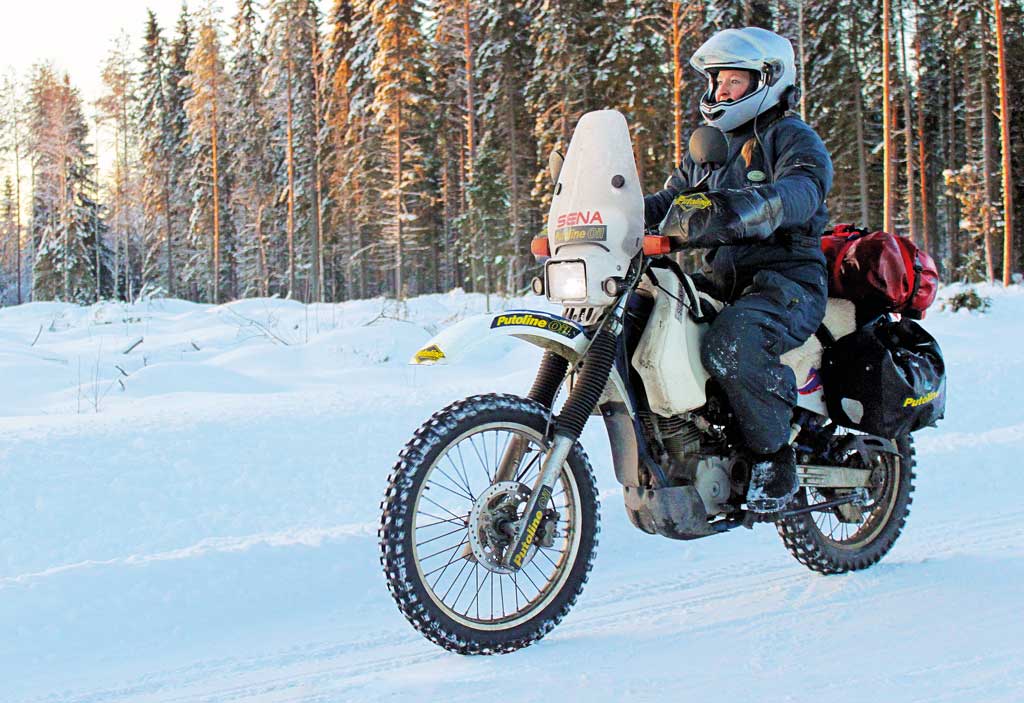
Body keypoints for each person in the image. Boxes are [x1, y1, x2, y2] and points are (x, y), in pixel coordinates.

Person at [643, 27, 834, 513]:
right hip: (724, 282)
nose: (720, 92)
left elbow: (802, 190)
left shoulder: (790, 136)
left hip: (788, 281)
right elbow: (668, 200)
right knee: (648, 314)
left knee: (732, 343)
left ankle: (774, 456)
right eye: (717, 82)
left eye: (733, 81)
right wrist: (611, 217)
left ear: (767, 80)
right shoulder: (707, 150)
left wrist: (747, 207)